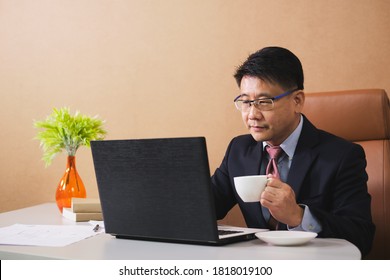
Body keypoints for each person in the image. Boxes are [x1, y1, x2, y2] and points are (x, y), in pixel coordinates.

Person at [211, 46, 375, 256]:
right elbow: (206, 207)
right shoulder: (239, 149)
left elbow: (361, 235)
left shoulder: (343, 156)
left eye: (264, 102)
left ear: (297, 101)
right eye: (245, 102)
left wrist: (299, 216)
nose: (252, 114)